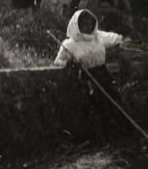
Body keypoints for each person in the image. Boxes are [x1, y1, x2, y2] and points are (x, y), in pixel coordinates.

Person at [53, 9, 127, 141]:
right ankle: (94, 139)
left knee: (112, 101)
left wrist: (119, 44)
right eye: (84, 24)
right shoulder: (69, 44)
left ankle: (115, 135)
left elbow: (116, 38)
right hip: (84, 78)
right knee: (90, 108)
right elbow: (58, 62)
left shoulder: (98, 37)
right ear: (77, 25)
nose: (88, 26)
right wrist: (70, 62)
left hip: (102, 74)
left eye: (90, 23)